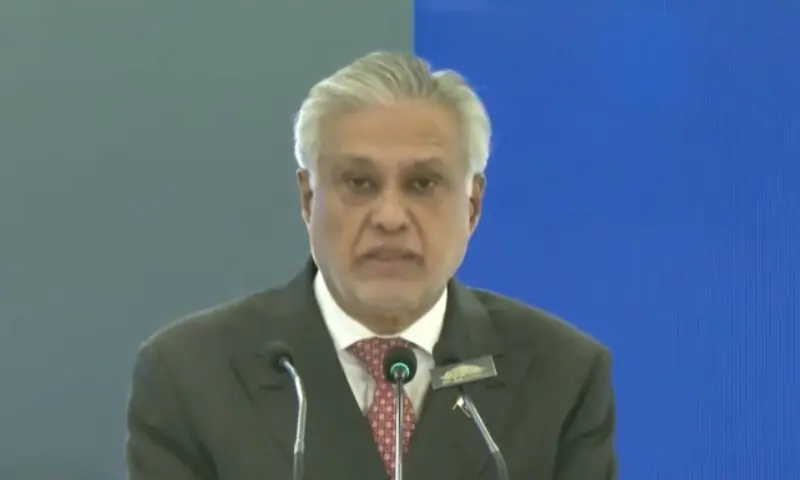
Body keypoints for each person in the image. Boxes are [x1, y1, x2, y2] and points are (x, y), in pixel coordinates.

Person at [124, 51, 617, 480]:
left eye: (423, 184)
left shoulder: (561, 376)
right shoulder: (191, 376)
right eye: (359, 183)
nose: (390, 218)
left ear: (472, 206)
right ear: (308, 198)